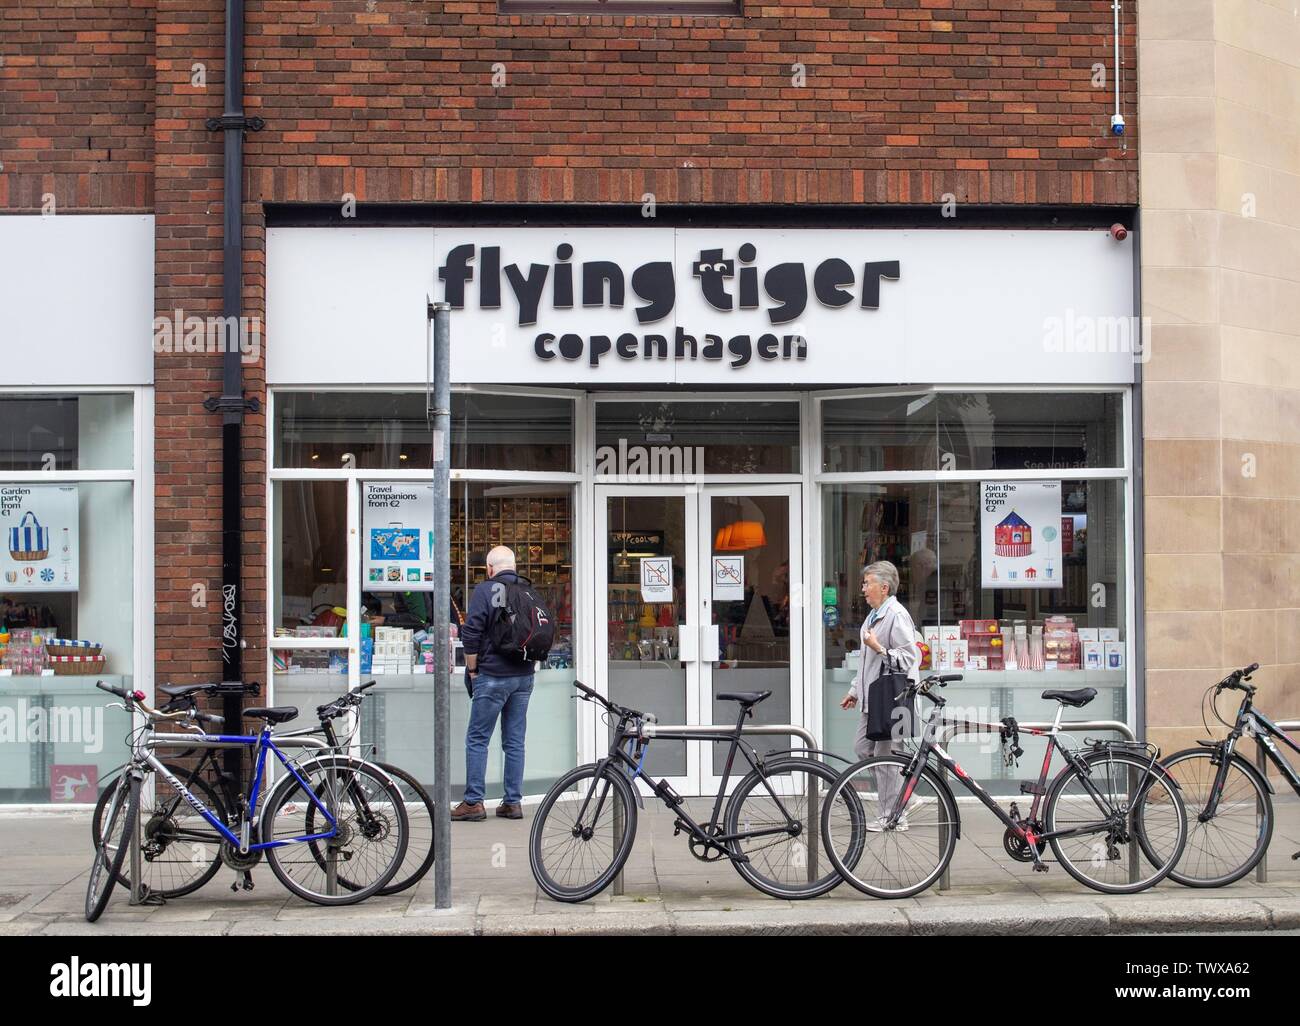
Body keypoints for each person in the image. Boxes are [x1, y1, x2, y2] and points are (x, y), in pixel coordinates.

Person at [452, 545, 535, 822]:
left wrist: (473, 670)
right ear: (514, 566)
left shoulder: (485, 590)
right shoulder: (527, 590)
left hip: (493, 676)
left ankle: (474, 802)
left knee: (477, 739)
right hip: (524, 676)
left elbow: (471, 633)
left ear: (490, 568)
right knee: (515, 742)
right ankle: (512, 802)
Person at [839, 560, 920, 831]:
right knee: (863, 748)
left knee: (886, 757)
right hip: (873, 699)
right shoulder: (874, 614)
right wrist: (854, 691)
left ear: (884, 587)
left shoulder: (896, 615)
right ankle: (904, 797)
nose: (863, 589)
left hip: (891, 698)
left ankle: (893, 816)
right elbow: (866, 662)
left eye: (867, 584)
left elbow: (910, 657)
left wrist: (879, 648)